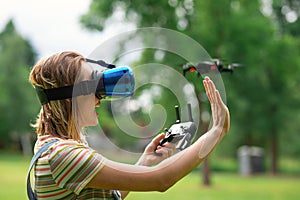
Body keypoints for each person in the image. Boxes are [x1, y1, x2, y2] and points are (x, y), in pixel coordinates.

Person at [29, 51, 230, 199]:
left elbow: (110, 195)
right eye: (93, 87)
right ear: (68, 99)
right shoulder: (64, 154)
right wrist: (216, 132)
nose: (100, 99)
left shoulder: (50, 146)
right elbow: (162, 179)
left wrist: (144, 162)